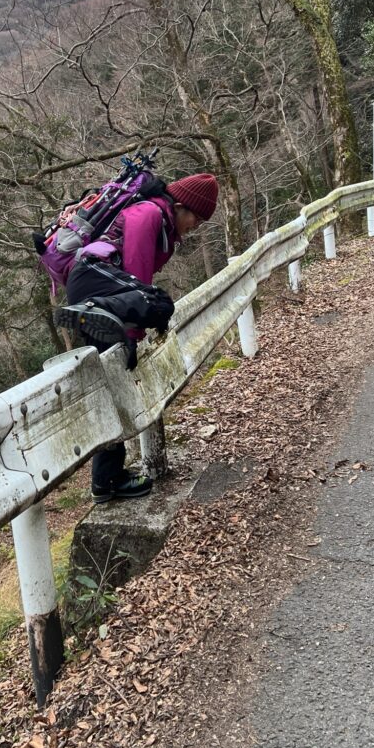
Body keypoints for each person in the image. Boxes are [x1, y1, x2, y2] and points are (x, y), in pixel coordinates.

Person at [55, 172, 219, 503]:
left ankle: (107, 479)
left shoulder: (162, 223)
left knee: (110, 383)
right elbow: (137, 272)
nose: (196, 227)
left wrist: (131, 335)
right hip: (94, 279)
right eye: (197, 219)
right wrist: (135, 333)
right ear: (180, 206)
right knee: (160, 304)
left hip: (99, 288)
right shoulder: (150, 214)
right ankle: (95, 311)